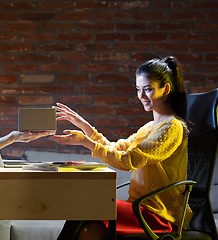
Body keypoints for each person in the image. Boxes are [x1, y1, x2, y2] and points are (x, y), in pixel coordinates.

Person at [50, 56, 192, 240]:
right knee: (90, 231)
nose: (141, 96)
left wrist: (87, 142)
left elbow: (127, 161)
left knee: (86, 204)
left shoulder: (172, 127)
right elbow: (117, 148)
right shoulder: (150, 127)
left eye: (148, 90)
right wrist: (84, 126)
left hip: (159, 215)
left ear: (165, 89)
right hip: (138, 208)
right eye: (138, 90)